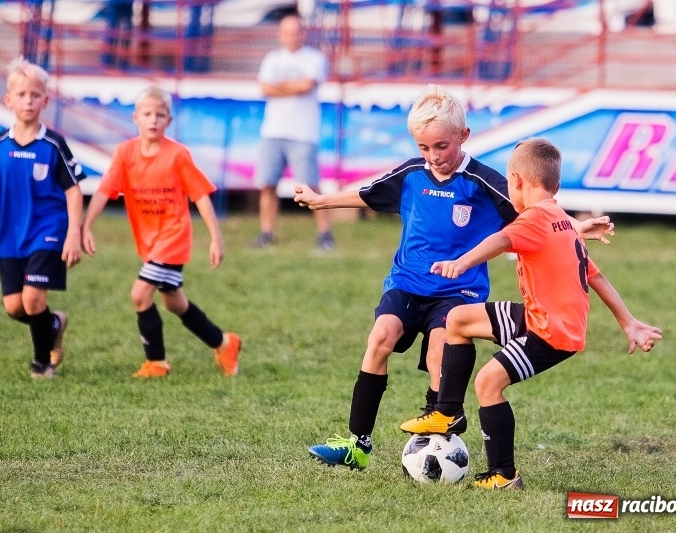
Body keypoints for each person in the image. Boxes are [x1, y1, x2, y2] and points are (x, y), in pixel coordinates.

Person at [294, 85, 614, 470]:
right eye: (424, 148)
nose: (433, 157)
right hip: (407, 282)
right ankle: (356, 444)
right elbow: (368, 194)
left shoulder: (486, 182)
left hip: (458, 291)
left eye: (441, 147)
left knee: (439, 352)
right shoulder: (412, 174)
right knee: (380, 337)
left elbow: (539, 216)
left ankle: (437, 436)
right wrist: (320, 200)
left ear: (463, 136)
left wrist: (577, 228)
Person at [399, 138, 663, 489]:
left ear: (517, 181)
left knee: (488, 383)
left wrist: (461, 262)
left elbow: (503, 241)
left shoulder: (535, 219)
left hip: (551, 333)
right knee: (458, 320)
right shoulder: (561, 219)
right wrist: (628, 321)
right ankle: (447, 412)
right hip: (542, 316)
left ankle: (504, 475)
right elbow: (594, 275)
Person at [81, 86, 241, 378]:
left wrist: (216, 238)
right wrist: (86, 226)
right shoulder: (125, 152)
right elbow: (106, 189)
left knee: (140, 294)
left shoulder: (178, 155)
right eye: (147, 114)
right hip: (149, 242)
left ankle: (157, 363)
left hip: (173, 238)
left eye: (160, 115)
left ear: (169, 121)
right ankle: (225, 343)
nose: (153, 120)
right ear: (135, 118)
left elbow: (201, 196)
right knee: (174, 303)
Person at [0, 57, 84, 379]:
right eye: (21, 95)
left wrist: (74, 233)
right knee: (15, 308)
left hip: (48, 230)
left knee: (33, 298)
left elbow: (74, 191)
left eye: (35, 95)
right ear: (8, 100)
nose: (28, 101)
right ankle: (54, 324)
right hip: (11, 237)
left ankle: (42, 365)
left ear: (45, 101)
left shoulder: (53, 143)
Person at [252, 13, 334, 250]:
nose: (291, 37)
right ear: (280, 34)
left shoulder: (315, 58)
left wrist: (280, 87)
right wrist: (294, 87)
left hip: (302, 132)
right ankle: (266, 232)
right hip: (273, 130)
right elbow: (268, 87)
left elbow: (306, 86)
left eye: (295, 31)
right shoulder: (272, 58)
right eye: (287, 32)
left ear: (303, 33)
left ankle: (325, 234)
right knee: (267, 184)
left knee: (310, 185)